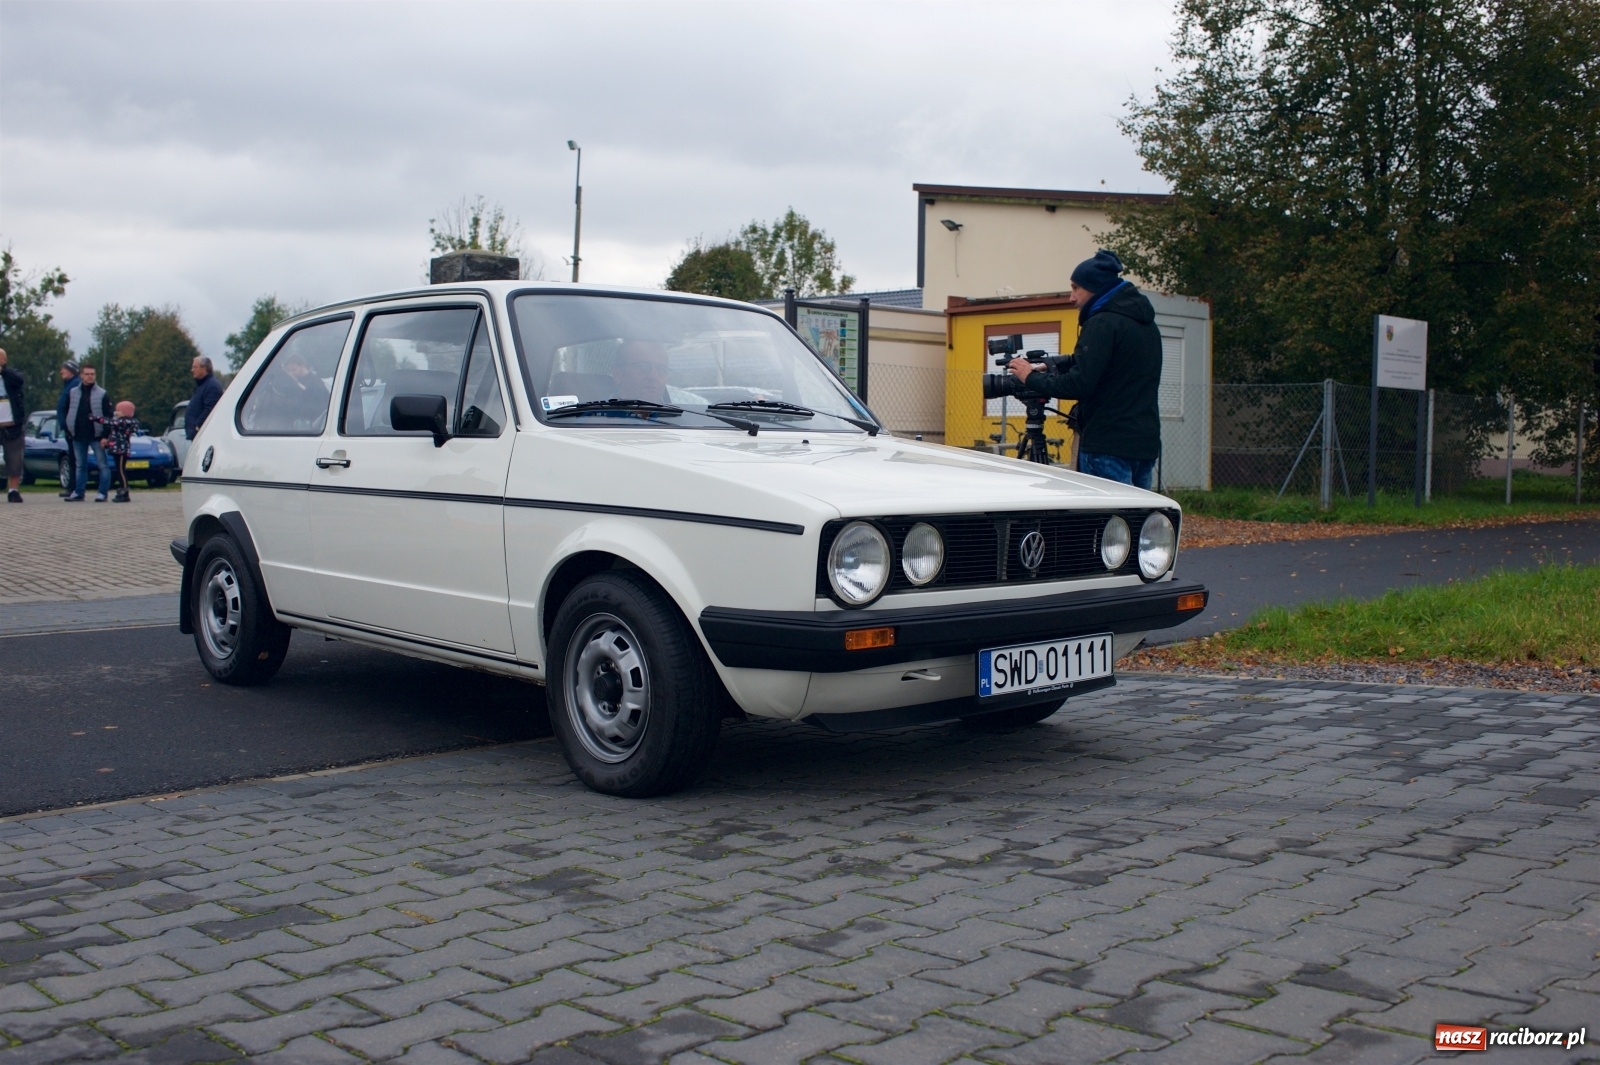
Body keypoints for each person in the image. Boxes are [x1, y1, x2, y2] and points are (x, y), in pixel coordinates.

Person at [1007, 248, 1162, 489]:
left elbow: (1080, 383)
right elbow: (1115, 365)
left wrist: (1029, 377)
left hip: (1107, 446)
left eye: (1075, 288)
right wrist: (1053, 364)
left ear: (1094, 288)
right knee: (1137, 523)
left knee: (1102, 523)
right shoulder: (1145, 324)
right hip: (1143, 444)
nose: (1071, 297)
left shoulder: (1102, 323)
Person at [62, 363, 113, 502]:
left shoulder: (102, 393)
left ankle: (102, 493)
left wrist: (105, 436)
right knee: (80, 465)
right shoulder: (73, 392)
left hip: (96, 436)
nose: (90, 376)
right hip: (78, 435)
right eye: (87, 374)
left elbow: (108, 416)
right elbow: (67, 411)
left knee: (102, 464)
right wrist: (69, 429)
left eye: (92, 374)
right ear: (81, 375)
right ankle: (79, 492)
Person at [96, 400, 141, 503]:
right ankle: (122, 490)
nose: (116, 413)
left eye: (118, 411)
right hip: (118, 448)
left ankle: (124, 492)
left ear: (125, 412)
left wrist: (94, 418)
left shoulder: (125, 422)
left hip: (121, 449)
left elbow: (108, 421)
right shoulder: (122, 422)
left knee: (121, 470)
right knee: (119, 469)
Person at [0, 347, 24, 503]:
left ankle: (13, 490)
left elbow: (19, 380)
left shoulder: (11, 375)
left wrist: (2, 371)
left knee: (14, 458)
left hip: (11, 424)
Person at [55, 359, 81, 496]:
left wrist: (69, 426)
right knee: (72, 458)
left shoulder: (75, 385)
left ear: (71, 370)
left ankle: (75, 488)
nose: (61, 371)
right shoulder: (68, 385)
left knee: (75, 459)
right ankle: (73, 487)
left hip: (73, 428)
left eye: (64, 369)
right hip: (68, 428)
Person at [185, 356, 223, 440]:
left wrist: (197, 427)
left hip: (203, 436)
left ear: (204, 369)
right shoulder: (201, 386)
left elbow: (209, 410)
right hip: (197, 435)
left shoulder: (212, 386)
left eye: (195, 367)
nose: (192, 370)